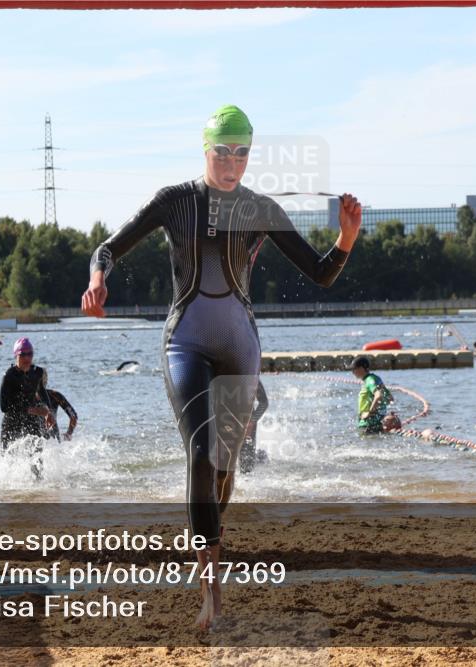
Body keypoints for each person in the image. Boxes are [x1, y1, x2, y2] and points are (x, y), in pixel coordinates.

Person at [80, 104, 361, 629]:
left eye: (242, 152)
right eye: (222, 151)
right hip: (184, 339)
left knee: (225, 469)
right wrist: (99, 277)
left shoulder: (260, 208)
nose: (232, 161)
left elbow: (321, 274)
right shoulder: (175, 201)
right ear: (205, 150)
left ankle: (212, 533)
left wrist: (345, 238)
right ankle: (211, 590)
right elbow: (108, 246)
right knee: (200, 453)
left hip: (239, 345)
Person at [0, 337, 53, 450]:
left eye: (30, 354)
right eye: (23, 354)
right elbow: (3, 407)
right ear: (16, 355)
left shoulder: (37, 373)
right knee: (7, 458)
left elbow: (42, 392)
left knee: (37, 457)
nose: (27, 358)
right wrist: (31, 410)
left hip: (31, 420)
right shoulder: (9, 376)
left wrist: (48, 412)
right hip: (12, 420)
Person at [350, 356, 393, 435]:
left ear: (361, 368)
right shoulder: (376, 378)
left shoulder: (370, 380)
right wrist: (380, 413)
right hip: (377, 424)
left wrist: (369, 413)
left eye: (354, 369)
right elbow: (390, 398)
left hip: (367, 424)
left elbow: (378, 396)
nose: (352, 372)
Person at [238, 382, 269, 474]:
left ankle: (260, 457)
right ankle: (259, 456)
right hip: (225, 423)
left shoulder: (251, 375)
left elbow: (264, 403)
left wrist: (251, 422)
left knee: (247, 470)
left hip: (248, 422)